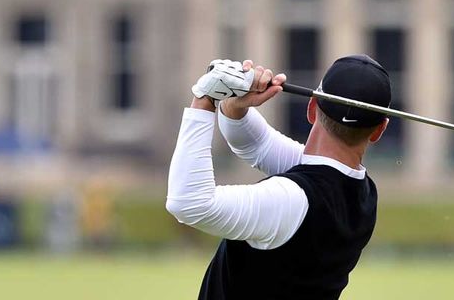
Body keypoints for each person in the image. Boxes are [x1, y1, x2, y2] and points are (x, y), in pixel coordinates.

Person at [166, 55, 392, 300]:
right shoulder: (362, 193)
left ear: (312, 108)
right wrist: (234, 104)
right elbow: (256, 145)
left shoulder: (292, 199)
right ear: (379, 130)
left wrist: (205, 99)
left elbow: (189, 203)